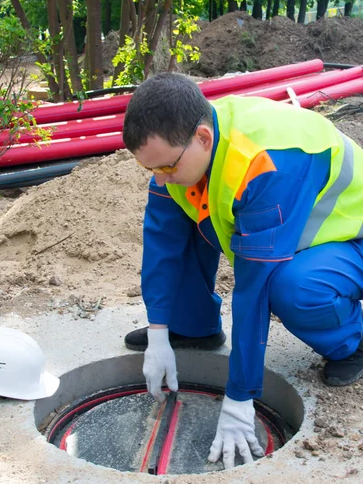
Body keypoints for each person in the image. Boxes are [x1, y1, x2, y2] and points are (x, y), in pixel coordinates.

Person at [122, 72, 363, 470]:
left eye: (166, 166)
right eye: (152, 169)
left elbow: (254, 287)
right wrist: (159, 331)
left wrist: (240, 396)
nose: (160, 179)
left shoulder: (265, 164)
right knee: (183, 224)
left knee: (291, 287)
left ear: (202, 138)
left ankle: (351, 343)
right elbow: (162, 243)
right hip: (295, 231)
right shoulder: (184, 149)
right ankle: (193, 326)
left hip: (349, 238)